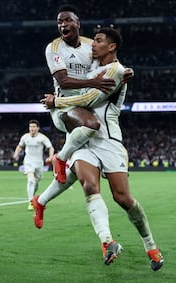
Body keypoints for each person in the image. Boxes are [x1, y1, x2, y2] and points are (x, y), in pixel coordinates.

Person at [35, 27, 164, 271]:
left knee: (123, 199)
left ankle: (150, 245)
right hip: (84, 138)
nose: (92, 44)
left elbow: (89, 100)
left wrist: (57, 101)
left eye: (98, 40)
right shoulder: (92, 67)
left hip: (109, 140)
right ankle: (107, 241)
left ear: (112, 46)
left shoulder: (115, 71)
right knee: (89, 186)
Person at [44, 4, 133, 184]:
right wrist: (93, 82)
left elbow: (109, 57)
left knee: (79, 174)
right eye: (59, 22)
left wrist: (125, 70)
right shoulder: (53, 48)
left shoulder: (89, 44)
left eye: (68, 20)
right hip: (66, 105)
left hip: (86, 105)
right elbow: (64, 81)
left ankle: (41, 201)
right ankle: (60, 158)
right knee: (92, 124)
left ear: (78, 23)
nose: (63, 25)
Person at [13, 120, 54, 211]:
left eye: (34, 127)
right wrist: (16, 154)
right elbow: (20, 146)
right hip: (28, 162)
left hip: (39, 163)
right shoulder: (25, 137)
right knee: (31, 180)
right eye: (30, 127)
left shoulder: (42, 138)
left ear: (38, 128)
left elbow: (50, 147)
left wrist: (50, 157)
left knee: (36, 182)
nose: (31, 128)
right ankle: (31, 202)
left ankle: (33, 196)